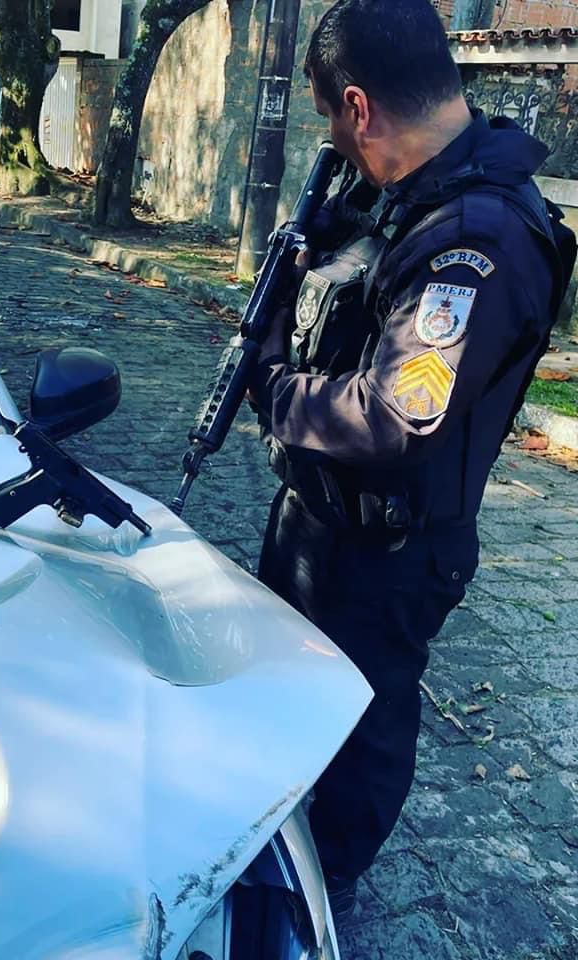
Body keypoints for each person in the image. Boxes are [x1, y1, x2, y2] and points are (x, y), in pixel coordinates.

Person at [246, 0, 575, 922]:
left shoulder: (478, 239)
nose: (332, 141)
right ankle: (269, 833)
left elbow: (394, 414)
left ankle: (325, 889)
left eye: (329, 118)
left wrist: (271, 388)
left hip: (389, 553)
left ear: (359, 107)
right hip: (321, 518)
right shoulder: (404, 195)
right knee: (287, 689)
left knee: (363, 722)